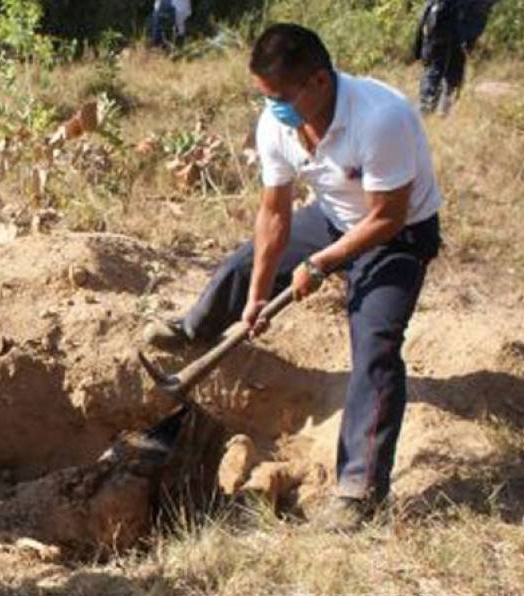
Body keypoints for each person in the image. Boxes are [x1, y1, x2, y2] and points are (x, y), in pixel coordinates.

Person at [143, 24, 443, 531]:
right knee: (243, 264)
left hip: (399, 234)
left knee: (375, 343)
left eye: (280, 96)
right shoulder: (276, 124)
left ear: (319, 82)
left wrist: (321, 264)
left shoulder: (380, 118)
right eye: (265, 96)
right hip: (333, 217)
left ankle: (359, 490)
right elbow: (275, 214)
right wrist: (259, 295)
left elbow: (388, 216)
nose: (272, 107)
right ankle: (197, 328)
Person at [414, 0, 496, 115]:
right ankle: (436, 109)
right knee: (445, 69)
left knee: (438, 69)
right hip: (455, 28)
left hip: (446, 26)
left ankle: (430, 109)